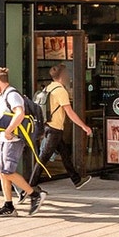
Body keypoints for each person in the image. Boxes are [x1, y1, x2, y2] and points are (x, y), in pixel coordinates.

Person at [0, 67, 41, 218]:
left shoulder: (12, 94)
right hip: (4, 138)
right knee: (2, 172)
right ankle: (8, 204)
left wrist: (9, 130)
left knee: (7, 171)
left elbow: (20, 113)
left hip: (13, 139)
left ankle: (34, 194)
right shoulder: (3, 96)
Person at [30, 62, 93, 192]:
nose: (68, 76)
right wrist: (84, 126)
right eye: (66, 74)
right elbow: (70, 112)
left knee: (64, 154)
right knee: (43, 158)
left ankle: (77, 180)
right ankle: (30, 186)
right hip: (55, 130)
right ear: (62, 76)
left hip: (49, 126)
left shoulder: (48, 88)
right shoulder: (60, 91)